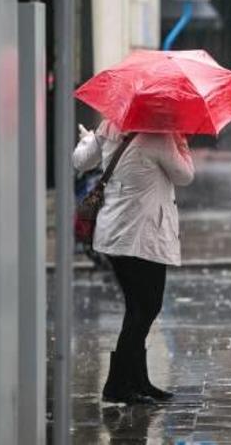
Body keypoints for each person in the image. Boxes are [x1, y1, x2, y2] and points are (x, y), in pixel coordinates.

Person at [73, 121, 195, 405]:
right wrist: (182, 143)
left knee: (136, 307)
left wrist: (88, 139)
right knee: (147, 307)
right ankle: (117, 384)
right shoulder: (162, 136)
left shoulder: (110, 127)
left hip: (114, 233)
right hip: (143, 236)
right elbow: (185, 175)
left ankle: (138, 381)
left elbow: (80, 160)